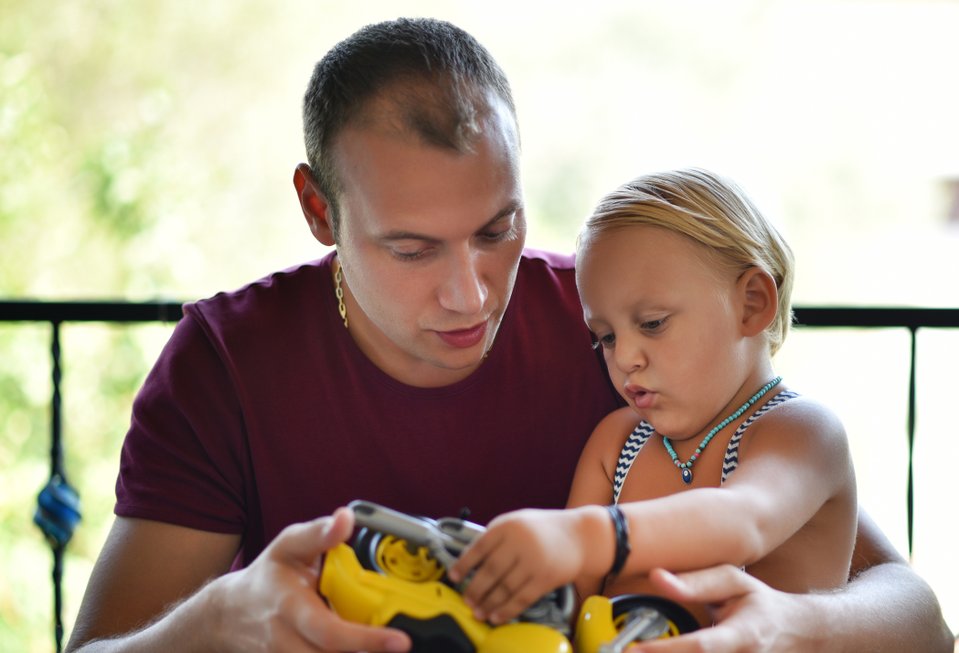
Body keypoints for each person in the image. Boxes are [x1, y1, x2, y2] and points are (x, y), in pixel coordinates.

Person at [65, 17, 953, 653]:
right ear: (317, 209)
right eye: (411, 248)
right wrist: (216, 625)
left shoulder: (609, 322)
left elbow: (916, 616)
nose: (470, 293)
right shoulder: (226, 361)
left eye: (497, 229)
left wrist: (792, 630)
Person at [449, 169, 857, 631]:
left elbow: (744, 522)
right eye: (604, 336)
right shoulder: (616, 443)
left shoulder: (800, 431)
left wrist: (584, 536)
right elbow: (566, 603)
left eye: (653, 323)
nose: (624, 357)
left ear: (751, 304)